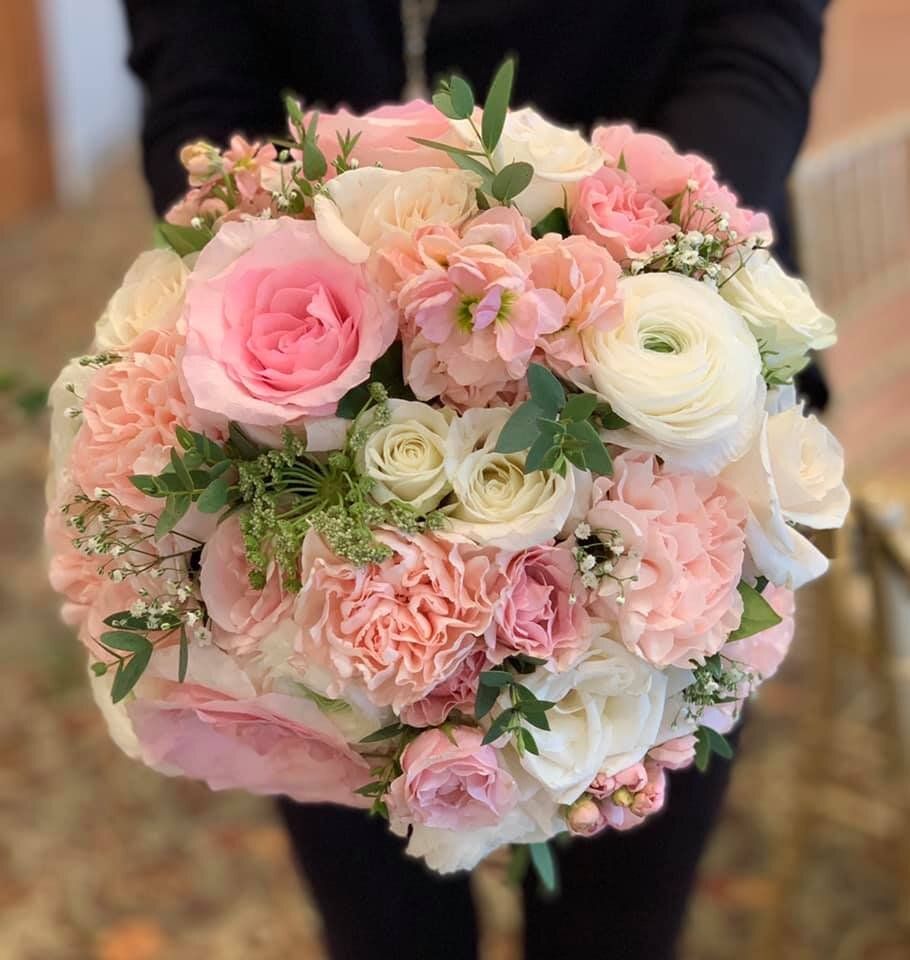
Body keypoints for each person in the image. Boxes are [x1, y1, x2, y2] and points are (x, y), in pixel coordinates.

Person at [122, 3, 829, 957]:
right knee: (379, 916)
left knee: (620, 906)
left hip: (665, 400)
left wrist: (616, 283)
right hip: (293, 434)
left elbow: (754, 42)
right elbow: (202, 89)